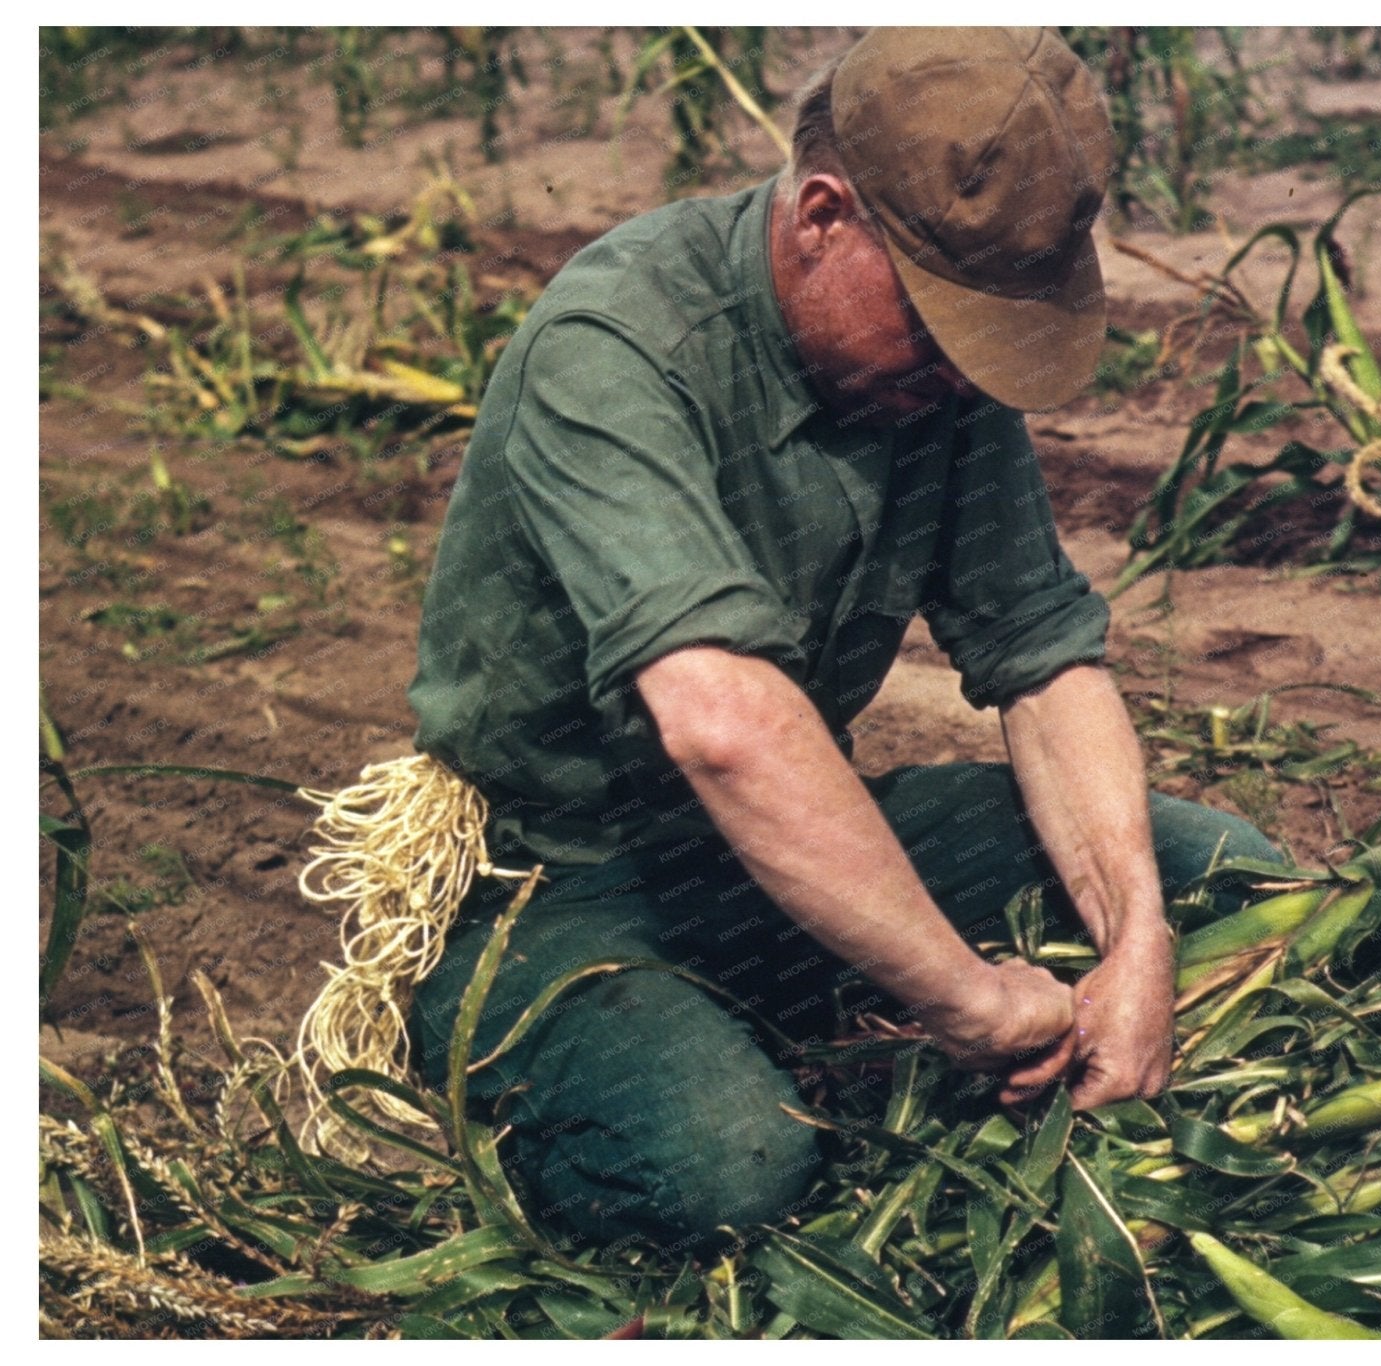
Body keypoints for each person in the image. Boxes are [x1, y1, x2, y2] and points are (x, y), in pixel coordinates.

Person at [403, 27, 1278, 1253]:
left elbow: (1041, 659)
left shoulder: (924, 381)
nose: (962, 377)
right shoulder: (617, 344)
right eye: (943, 329)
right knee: (731, 1168)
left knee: (1228, 871)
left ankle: (784, 1005)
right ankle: (522, 1054)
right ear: (822, 216)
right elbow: (724, 723)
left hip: (769, 856)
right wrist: (970, 1001)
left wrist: (1137, 938)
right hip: (554, 878)